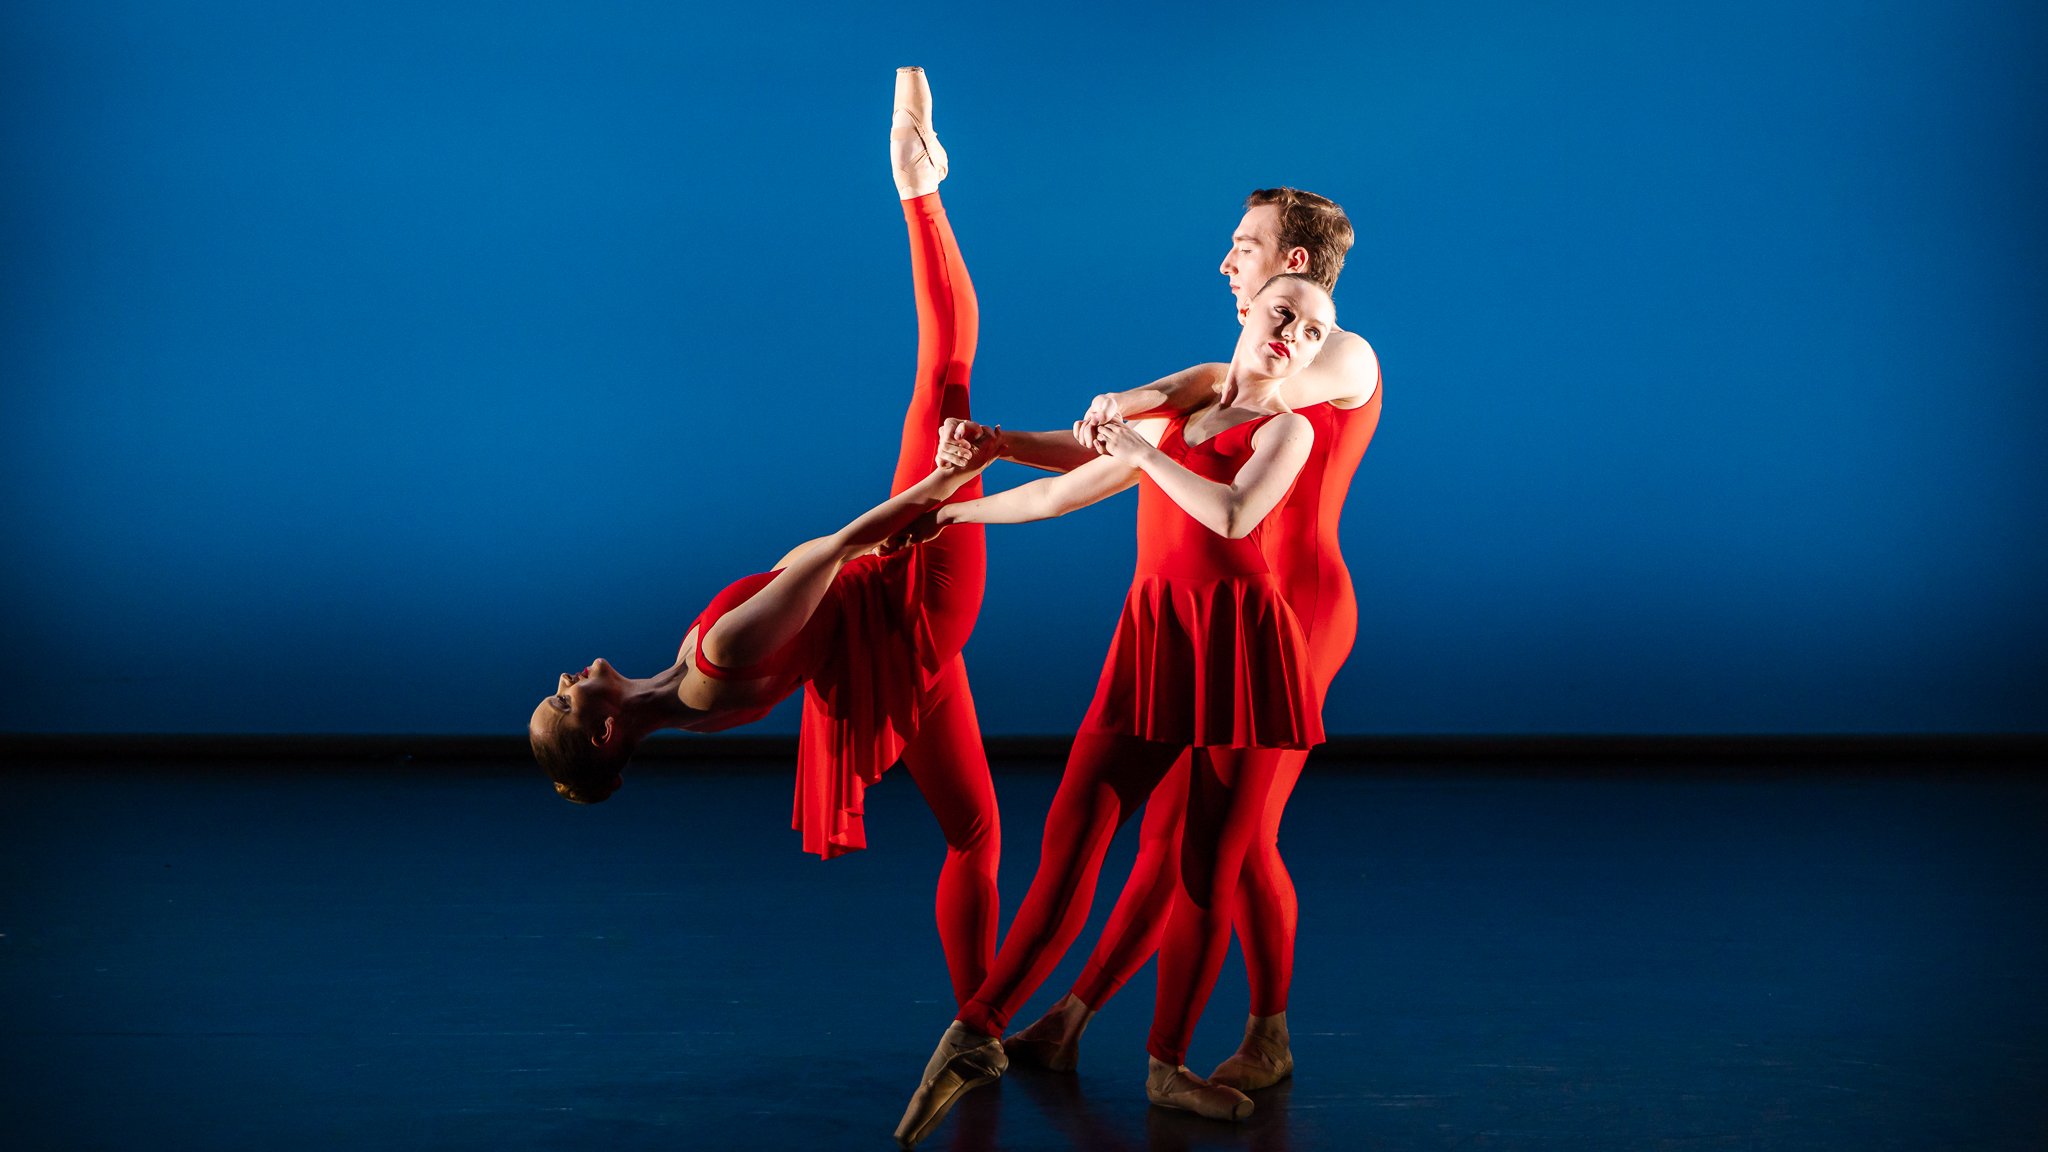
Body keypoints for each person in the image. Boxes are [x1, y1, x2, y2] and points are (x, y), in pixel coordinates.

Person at [526, 67, 1005, 1009]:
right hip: (910, 592)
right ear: (610, 729)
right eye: (568, 701)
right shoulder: (713, 656)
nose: (569, 677)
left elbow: (817, 593)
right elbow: (827, 557)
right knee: (944, 377)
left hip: (897, 653)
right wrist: (930, 497)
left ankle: (977, 1018)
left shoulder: (687, 689)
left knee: (974, 833)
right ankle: (919, 186)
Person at [894, 273, 1339, 1148]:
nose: (1294, 333)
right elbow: (1064, 491)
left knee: (1208, 867)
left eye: (1315, 331)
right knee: (1074, 834)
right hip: (1156, 636)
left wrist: (1143, 453)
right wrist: (948, 514)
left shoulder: (1289, 427)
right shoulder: (1181, 412)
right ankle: (976, 1030)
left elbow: (1235, 514)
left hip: (1244, 651)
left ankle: (1167, 1063)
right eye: (1282, 312)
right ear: (1247, 312)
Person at [964, 187, 1381, 1091]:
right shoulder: (1240, 361)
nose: (1228, 260)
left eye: (1244, 244)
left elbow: (1226, 391)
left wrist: (1143, 396)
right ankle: (1073, 1018)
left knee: (1231, 837)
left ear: (1292, 264)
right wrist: (1003, 442)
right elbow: (1121, 453)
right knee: (1171, 830)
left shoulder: (1336, 347)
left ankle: (1264, 1034)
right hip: (1223, 600)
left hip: (1294, 610)